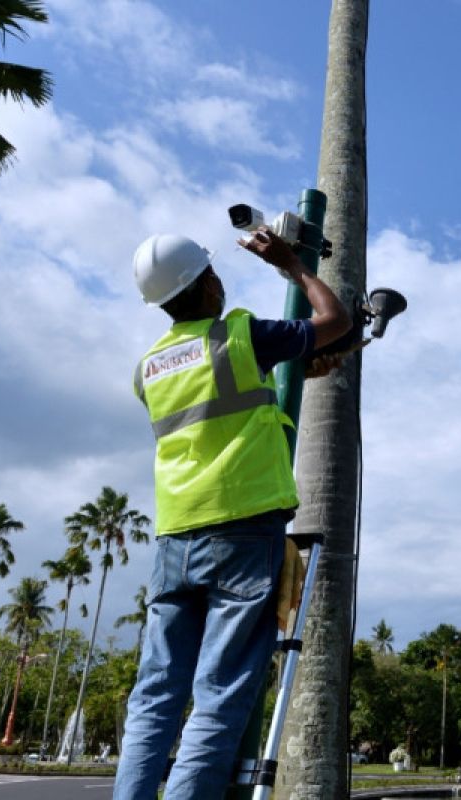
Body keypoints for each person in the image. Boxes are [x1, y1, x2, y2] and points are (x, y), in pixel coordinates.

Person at [114, 228, 351, 800]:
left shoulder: (147, 368)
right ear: (210, 282)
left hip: (176, 537)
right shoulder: (240, 334)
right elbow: (335, 319)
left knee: (156, 694)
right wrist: (293, 265)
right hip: (244, 531)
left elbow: (218, 396)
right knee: (219, 694)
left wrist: (291, 368)